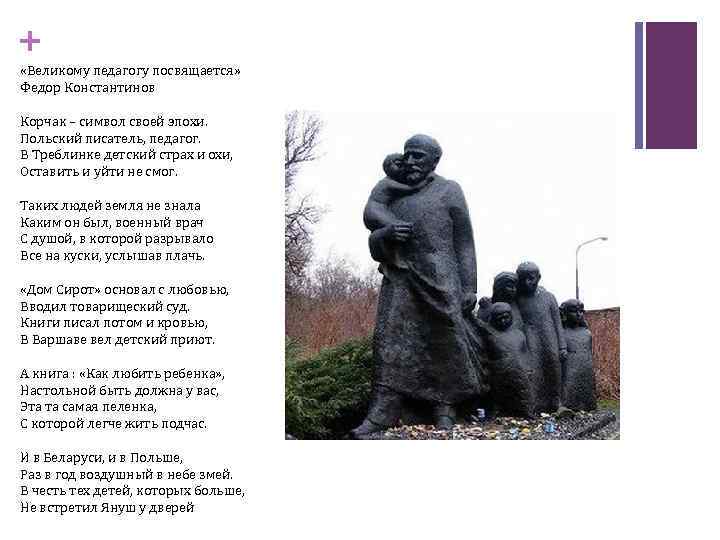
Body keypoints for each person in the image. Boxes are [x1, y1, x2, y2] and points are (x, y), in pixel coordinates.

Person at [351, 134, 487, 437]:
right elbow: (373, 226)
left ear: (434, 161)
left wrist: (470, 287)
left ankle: (444, 407)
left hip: (441, 278)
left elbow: (464, 242)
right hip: (400, 277)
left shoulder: (449, 190)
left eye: (418, 156)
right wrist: (386, 234)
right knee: (388, 340)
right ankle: (383, 410)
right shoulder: (391, 190)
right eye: (407, 154)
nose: (410, 161)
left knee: (444, 340)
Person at [515, 261, 567, 413]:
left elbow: (558, 323)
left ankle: (557, 402)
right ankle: (537, 403)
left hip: (550, 338)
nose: (527, 282)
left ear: (538, 277)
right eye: (523, 279)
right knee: (534, 370)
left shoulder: (549, 297)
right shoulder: (517, 299)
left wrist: (562, 345)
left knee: (553, 367)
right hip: (530, 338)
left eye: (531, 278)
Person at [474, 303, 535, 418]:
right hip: (498, 371)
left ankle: (526, 412)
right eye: (499, 319)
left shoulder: (519, 334)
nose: (503, 321)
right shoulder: (490, 331)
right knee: (497, 394)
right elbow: (478, 323)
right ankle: (497, 411)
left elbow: (525, 353)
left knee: (523, 392)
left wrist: (528, 368)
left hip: (519, 371)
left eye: (505, 317)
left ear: (511, 316)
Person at [559, 299, 597, 411]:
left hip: (585, 369)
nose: (578, 314)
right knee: (568, 388)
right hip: (569, 370)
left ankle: (588, 405)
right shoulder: (561, 334)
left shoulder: (587, 333)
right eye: (574, 311)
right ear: (564, 314)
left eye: (581, 311)